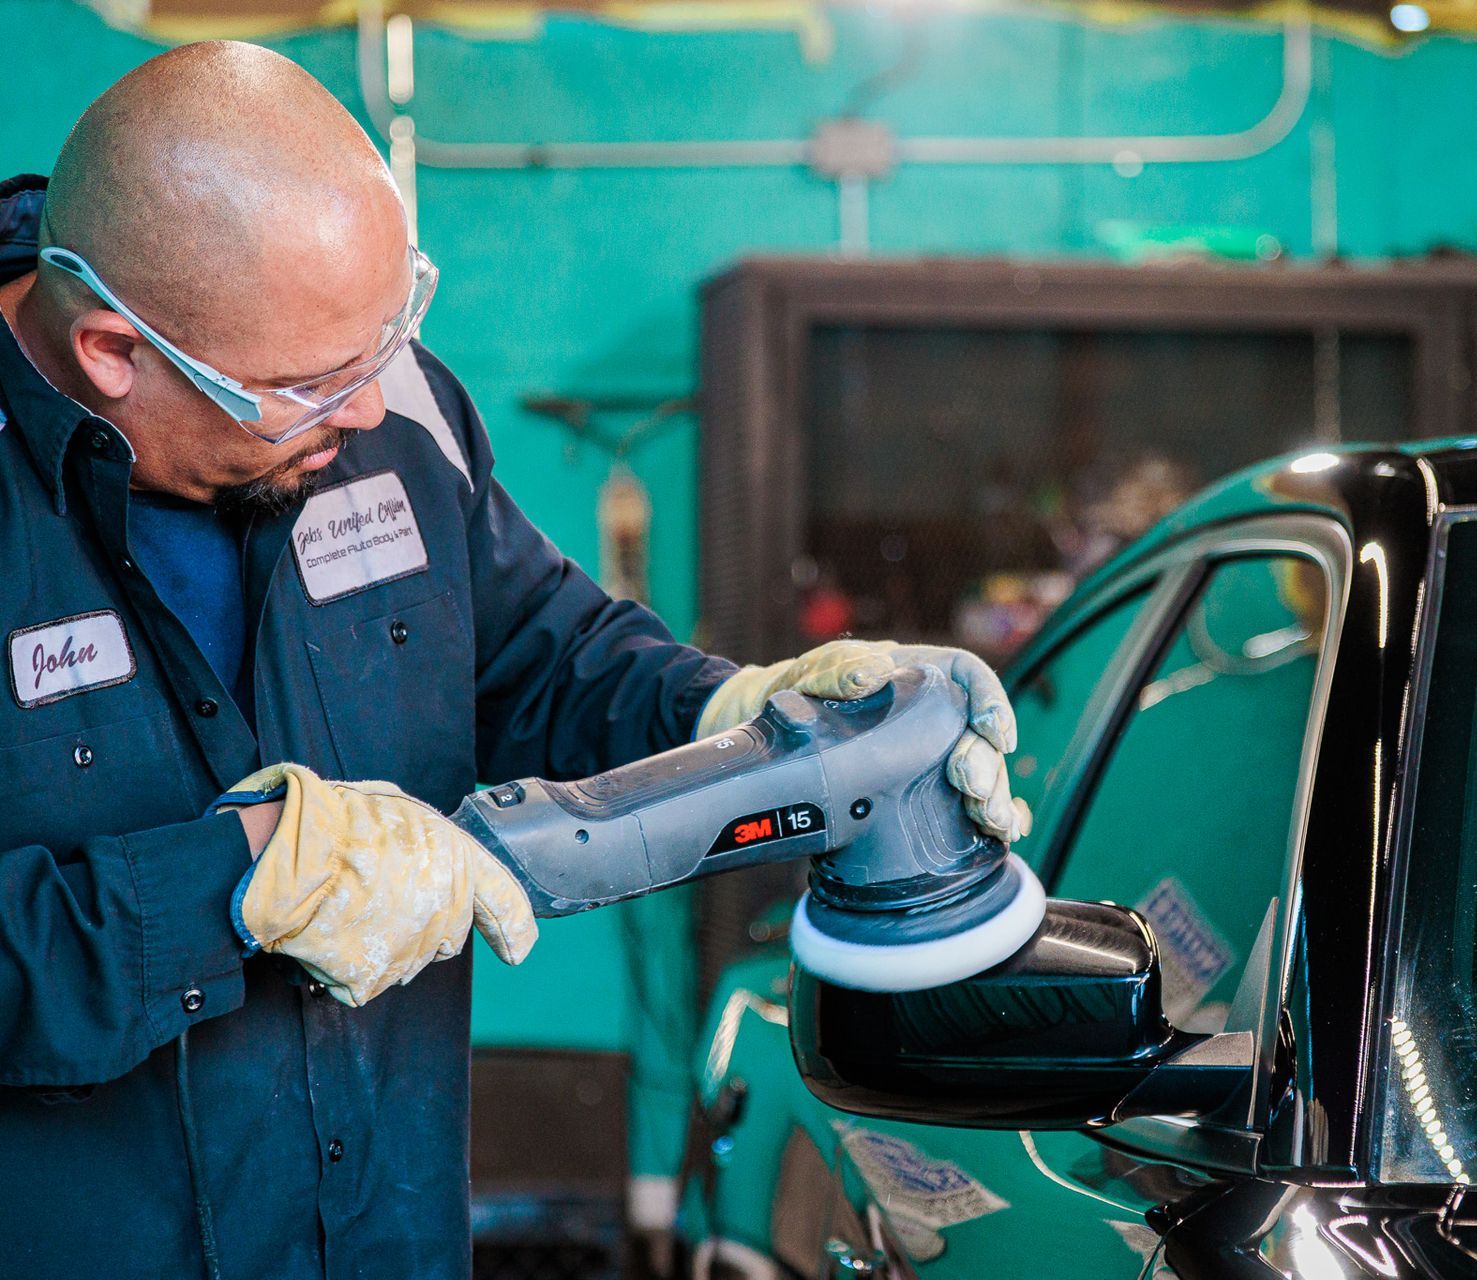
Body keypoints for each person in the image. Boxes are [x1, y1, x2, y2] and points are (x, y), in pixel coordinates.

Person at [0, 40, 1027, 1279]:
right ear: (118, 353)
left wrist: (750, 712)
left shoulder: (387, 408)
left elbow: (549, 655)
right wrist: (234, 879)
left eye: (391, 334)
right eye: (318, 383)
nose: (374, 409)